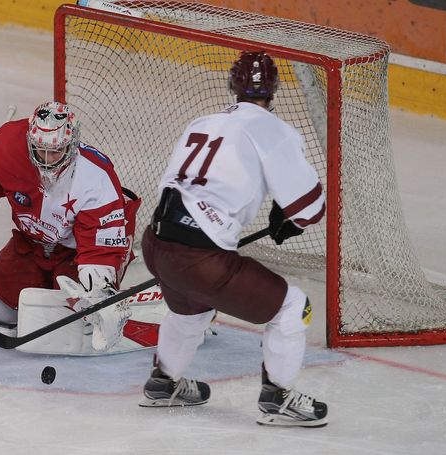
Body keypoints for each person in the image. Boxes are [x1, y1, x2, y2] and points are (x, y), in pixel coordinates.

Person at [138, 51, 328, 427]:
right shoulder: (274, 130)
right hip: (199, 259)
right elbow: (310, 209)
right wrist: (287, 217)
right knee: (293, 308)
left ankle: (164, 383)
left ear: (232, 85)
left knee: (190, 309)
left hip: (155, 244)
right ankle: (279, 398)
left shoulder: (204, 121)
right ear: (273, 90)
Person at [0, 101, 141, 353]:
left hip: (79, 252)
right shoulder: (7, 146)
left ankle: (108, 304)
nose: (46, 159)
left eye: (55, 151)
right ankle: (44, 289)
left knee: (77, 318)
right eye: (39, 149)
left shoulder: (95, 177)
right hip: (33, 243)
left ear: (72, 144)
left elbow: (99, 250)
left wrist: (100, 289)